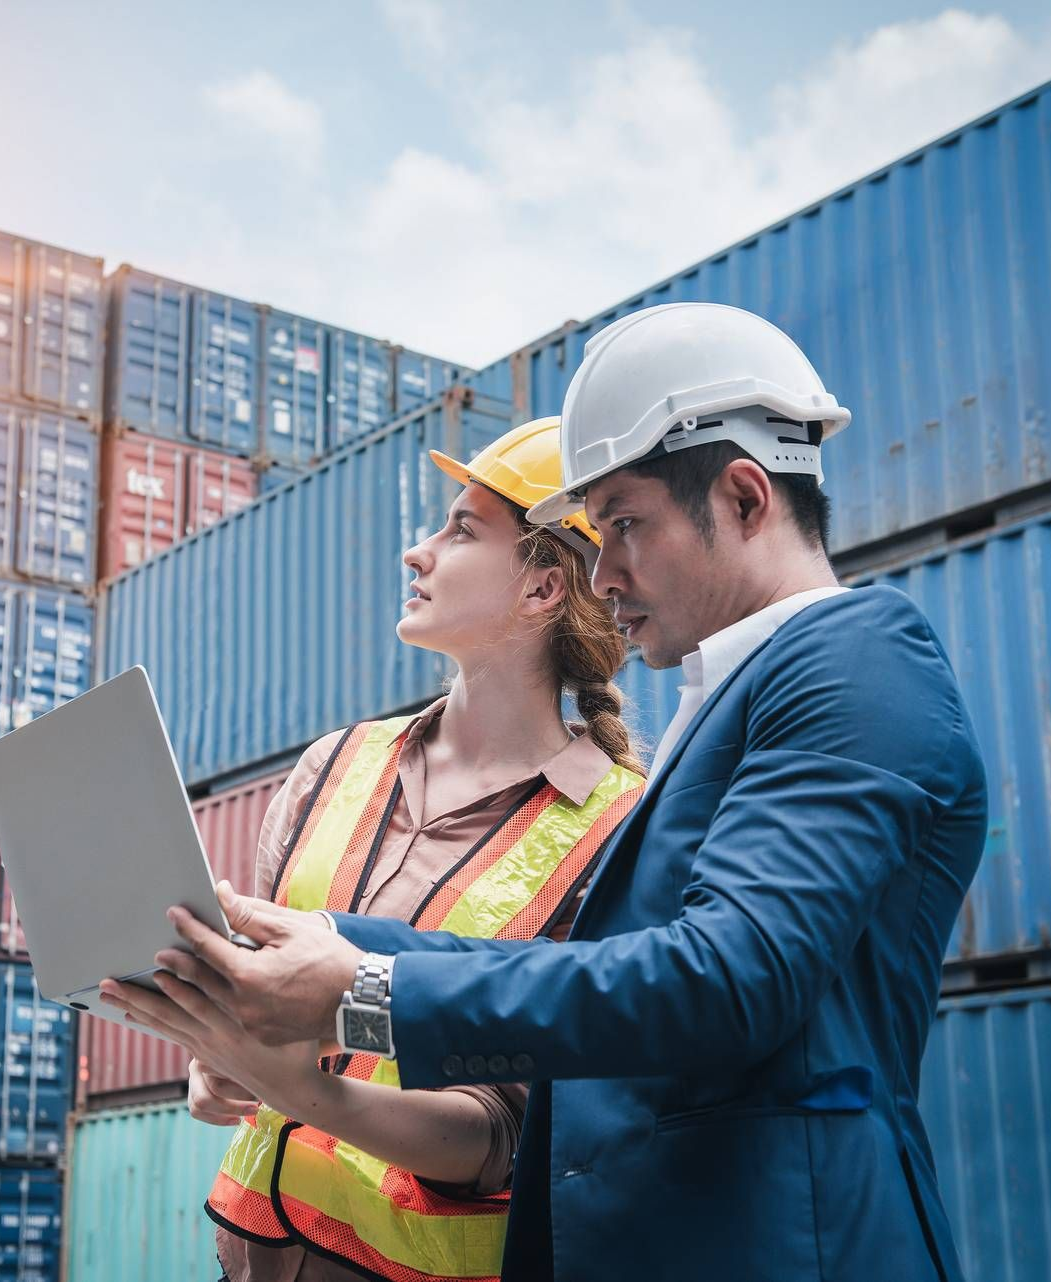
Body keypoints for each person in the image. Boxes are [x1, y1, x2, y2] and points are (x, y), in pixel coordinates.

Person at [122, 303, 989, 1282]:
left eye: (622, 524)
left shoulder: (854, 663)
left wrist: (365, 992)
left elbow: (729, 980)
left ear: (745, 498)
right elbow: (612, 965)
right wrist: (337, 957)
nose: (603, 569)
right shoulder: (738, 697)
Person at [101, 417, 646, 1282]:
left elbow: (507, 1135)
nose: (417, 553)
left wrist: (300, 1089)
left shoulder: (615, 829)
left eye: (462, 530)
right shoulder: (334, 765)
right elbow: (250, 1019)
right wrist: (215, 1071)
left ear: (545, 588)